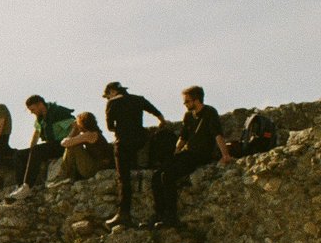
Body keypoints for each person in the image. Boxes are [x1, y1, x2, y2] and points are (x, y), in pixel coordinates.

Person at [102, 80, 169, 228]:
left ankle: (123, 213)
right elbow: (157, 113)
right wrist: (162, 121)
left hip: (124, 143)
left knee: (123, 178)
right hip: (140, 140)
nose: (108, 98)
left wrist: (120, 129)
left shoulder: (112, 103)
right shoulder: (138, 99)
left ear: (112, 92)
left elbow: (109, 127)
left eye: (107, 95)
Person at [152, 85, 220, 228]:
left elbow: (217, 135)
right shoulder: (188, 116)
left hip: (201, 154)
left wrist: (225, 155)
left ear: (196, 100)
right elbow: (183, 137)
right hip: (187, 153)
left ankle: (171, 216)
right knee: (157, 175)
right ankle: (159, 214)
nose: (185, 104)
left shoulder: (210, 113)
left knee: (168, 175)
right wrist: (175, 153)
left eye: (187, 101)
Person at [20, 95, 76, 187]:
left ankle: (28, 186)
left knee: (37, 150)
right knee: (20, 155)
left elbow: (76, 125)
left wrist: (68, 140)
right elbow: (36, 134)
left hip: (62, 145)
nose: (32, 112)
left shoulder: (58, 112)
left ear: (40, 104)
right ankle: (21, 186)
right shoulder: (41, 119)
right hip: (51, 145)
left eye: (33, 109)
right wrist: (31, 150)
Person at [57, 111, 113, 181]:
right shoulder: (95, 133)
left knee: (74, 147)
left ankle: (64, 175)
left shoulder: (89, 135)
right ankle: (67, 175)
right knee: (73, 145)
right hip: (96, 166)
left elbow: (64, 143)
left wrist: (74, 129)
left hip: (93, 169)